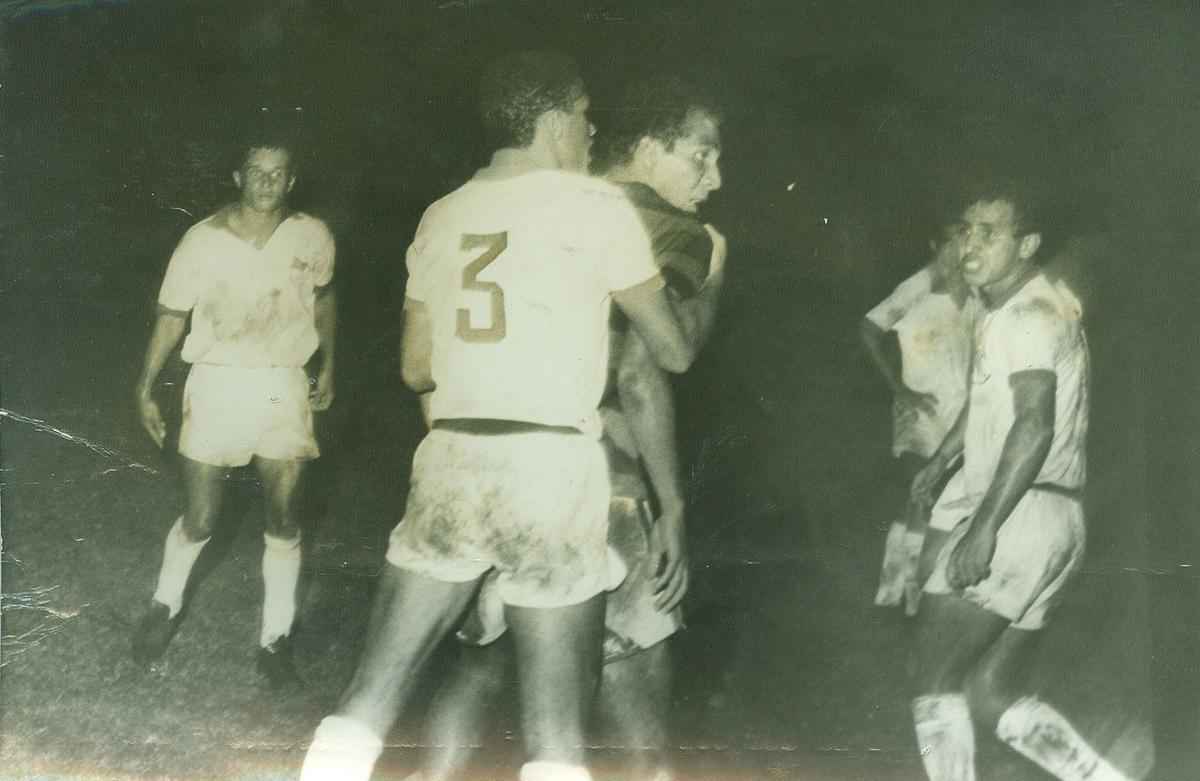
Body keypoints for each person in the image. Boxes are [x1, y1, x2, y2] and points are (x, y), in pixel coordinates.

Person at [298, 51, 697, 781]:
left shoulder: (443, 212)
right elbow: (671, 351)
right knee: (556, 734)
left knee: (370, 694)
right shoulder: (597, 205)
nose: (590, 128)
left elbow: (416, 368)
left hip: (452, 455)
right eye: (583, 115)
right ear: (553, 119)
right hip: (551, 463)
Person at [411, 76, 726, 781]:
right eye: (701, 156)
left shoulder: (521, 201)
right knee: (634, 696)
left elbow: (432, 362)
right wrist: (672, 505)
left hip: (482, 471)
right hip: (597, 479)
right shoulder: (675, 231)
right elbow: (649, 370)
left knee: (480, 666)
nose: (715, 177)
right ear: (648, 149)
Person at [907, 186, 1127, 781]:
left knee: (933, 685)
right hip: (1059, 525)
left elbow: (1034, 423)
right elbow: (987, 406)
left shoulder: (1025, 318)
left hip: (1014, 518)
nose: (969, 244)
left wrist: (982, 530)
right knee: (991, 694)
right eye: (965, 229)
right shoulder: (1025, 307)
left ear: (1027, 244)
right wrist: (941, 461)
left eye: (989, 232)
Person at [130, 123, 336, 689]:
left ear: (291, 180)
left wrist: (330, 364)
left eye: (279, 173)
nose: (267, 182)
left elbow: (323, 298)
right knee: (201, 519)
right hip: (217, 383)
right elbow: (172, 314)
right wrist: (145, 384)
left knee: (285, 517)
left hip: (281, 385)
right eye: (257, 171)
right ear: (238, 175)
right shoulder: (202, 239)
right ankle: (164, 606)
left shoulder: (312, 235)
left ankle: (275, 639)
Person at [864, 225, 975, 613]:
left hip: (960, 412)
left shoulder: (976, 291)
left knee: (934, 500)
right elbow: (867, 330)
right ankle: (907, 595)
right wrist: (899, 388)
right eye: (949, 241)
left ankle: (903, 591)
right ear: (936, 243)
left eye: (964, 241)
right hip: (921, 412)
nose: (957, 250)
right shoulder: (919, 286)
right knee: (922, 497)